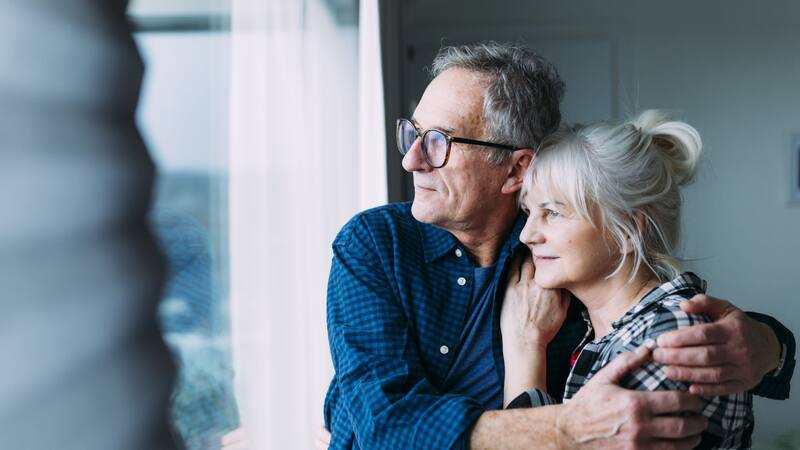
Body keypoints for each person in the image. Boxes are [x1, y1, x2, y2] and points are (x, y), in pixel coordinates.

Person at [320, 42, 795, 449]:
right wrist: (565, 428)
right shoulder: (376, 244)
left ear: (515, 169)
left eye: (439, 140)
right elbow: (382, 423)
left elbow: (659, 319)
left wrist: (769, 345)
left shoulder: (560, 260)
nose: (411, 160)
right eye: (413, 132)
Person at [501, 111, 753, 448]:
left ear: (629, 231)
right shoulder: (603, 330)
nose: (527, 235)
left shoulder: (668, 337)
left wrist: (524, 348)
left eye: (554, 213)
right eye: (529, 212)